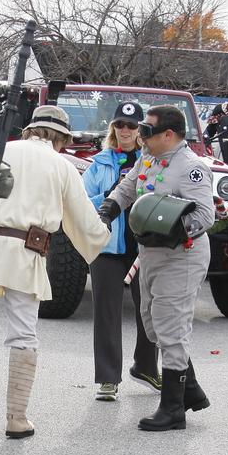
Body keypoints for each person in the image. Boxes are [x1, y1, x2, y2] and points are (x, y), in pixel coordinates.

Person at [0, 105, 110, 438]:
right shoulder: (62, 165)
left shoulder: (1, 151)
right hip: (27, 253)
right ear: (61, 137)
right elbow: (85, 223)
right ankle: (16, 418)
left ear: (32, 128)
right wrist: (105, 233)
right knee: (23, 335)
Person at [98, 105, 214, 431]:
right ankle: (190, 388)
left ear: (168, 134)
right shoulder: (147, 158)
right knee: (151, 324)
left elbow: (205, 216)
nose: (140, 135)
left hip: (181, 256)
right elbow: (128, 186)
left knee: (170, 327)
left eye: (147, 130)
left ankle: (173, 409)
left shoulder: (191, 168)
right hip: (149, 253)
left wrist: (172, 231)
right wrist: (109, 208)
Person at [82, 102, 162, 402]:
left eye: (131, 125)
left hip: (144, 247)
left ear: (141, 130)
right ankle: (107, 379)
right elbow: (81, 200)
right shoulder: (100, 163)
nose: (125, 130)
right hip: (107, 248)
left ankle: (146, 367)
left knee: (150, 312)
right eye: (120, 124)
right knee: (106, 313)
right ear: (112, 128)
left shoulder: (153, 161)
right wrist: (108, 195)